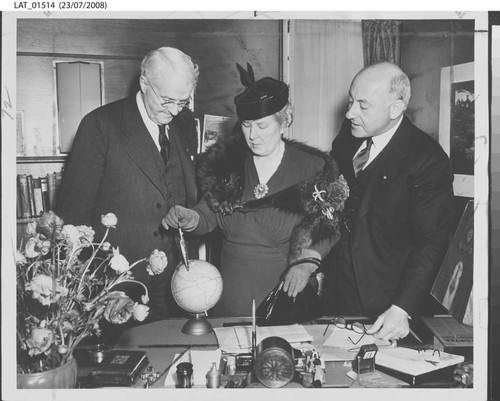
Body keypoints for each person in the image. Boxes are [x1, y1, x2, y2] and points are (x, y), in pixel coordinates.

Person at [163, 64, 349, 317]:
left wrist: (305, 265)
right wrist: (189, 217)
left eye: (262, 126)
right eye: (247, 125)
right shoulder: (227, 163)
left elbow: (329, 227)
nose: (253, 136)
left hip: (284, 290)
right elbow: (207, 215)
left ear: (285, 122)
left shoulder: (312, 167)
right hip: (231, 292)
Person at [56, 47, 199, 321]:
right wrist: (98, 284)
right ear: (144, 83)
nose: (173, 110)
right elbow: (72, 215)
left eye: (182, 102)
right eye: (167, 100)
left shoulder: (183, 122)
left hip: (175, 283)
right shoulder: (100, 125)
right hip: (118, 285)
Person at [327, 62, 454, 342]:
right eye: (350, 102)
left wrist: (401, 308)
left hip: (389, 305)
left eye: (362, 105)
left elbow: (432, 242)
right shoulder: (348, 138)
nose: (349, 113)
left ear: (395, 109)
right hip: (340, 292)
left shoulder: (427, 159)